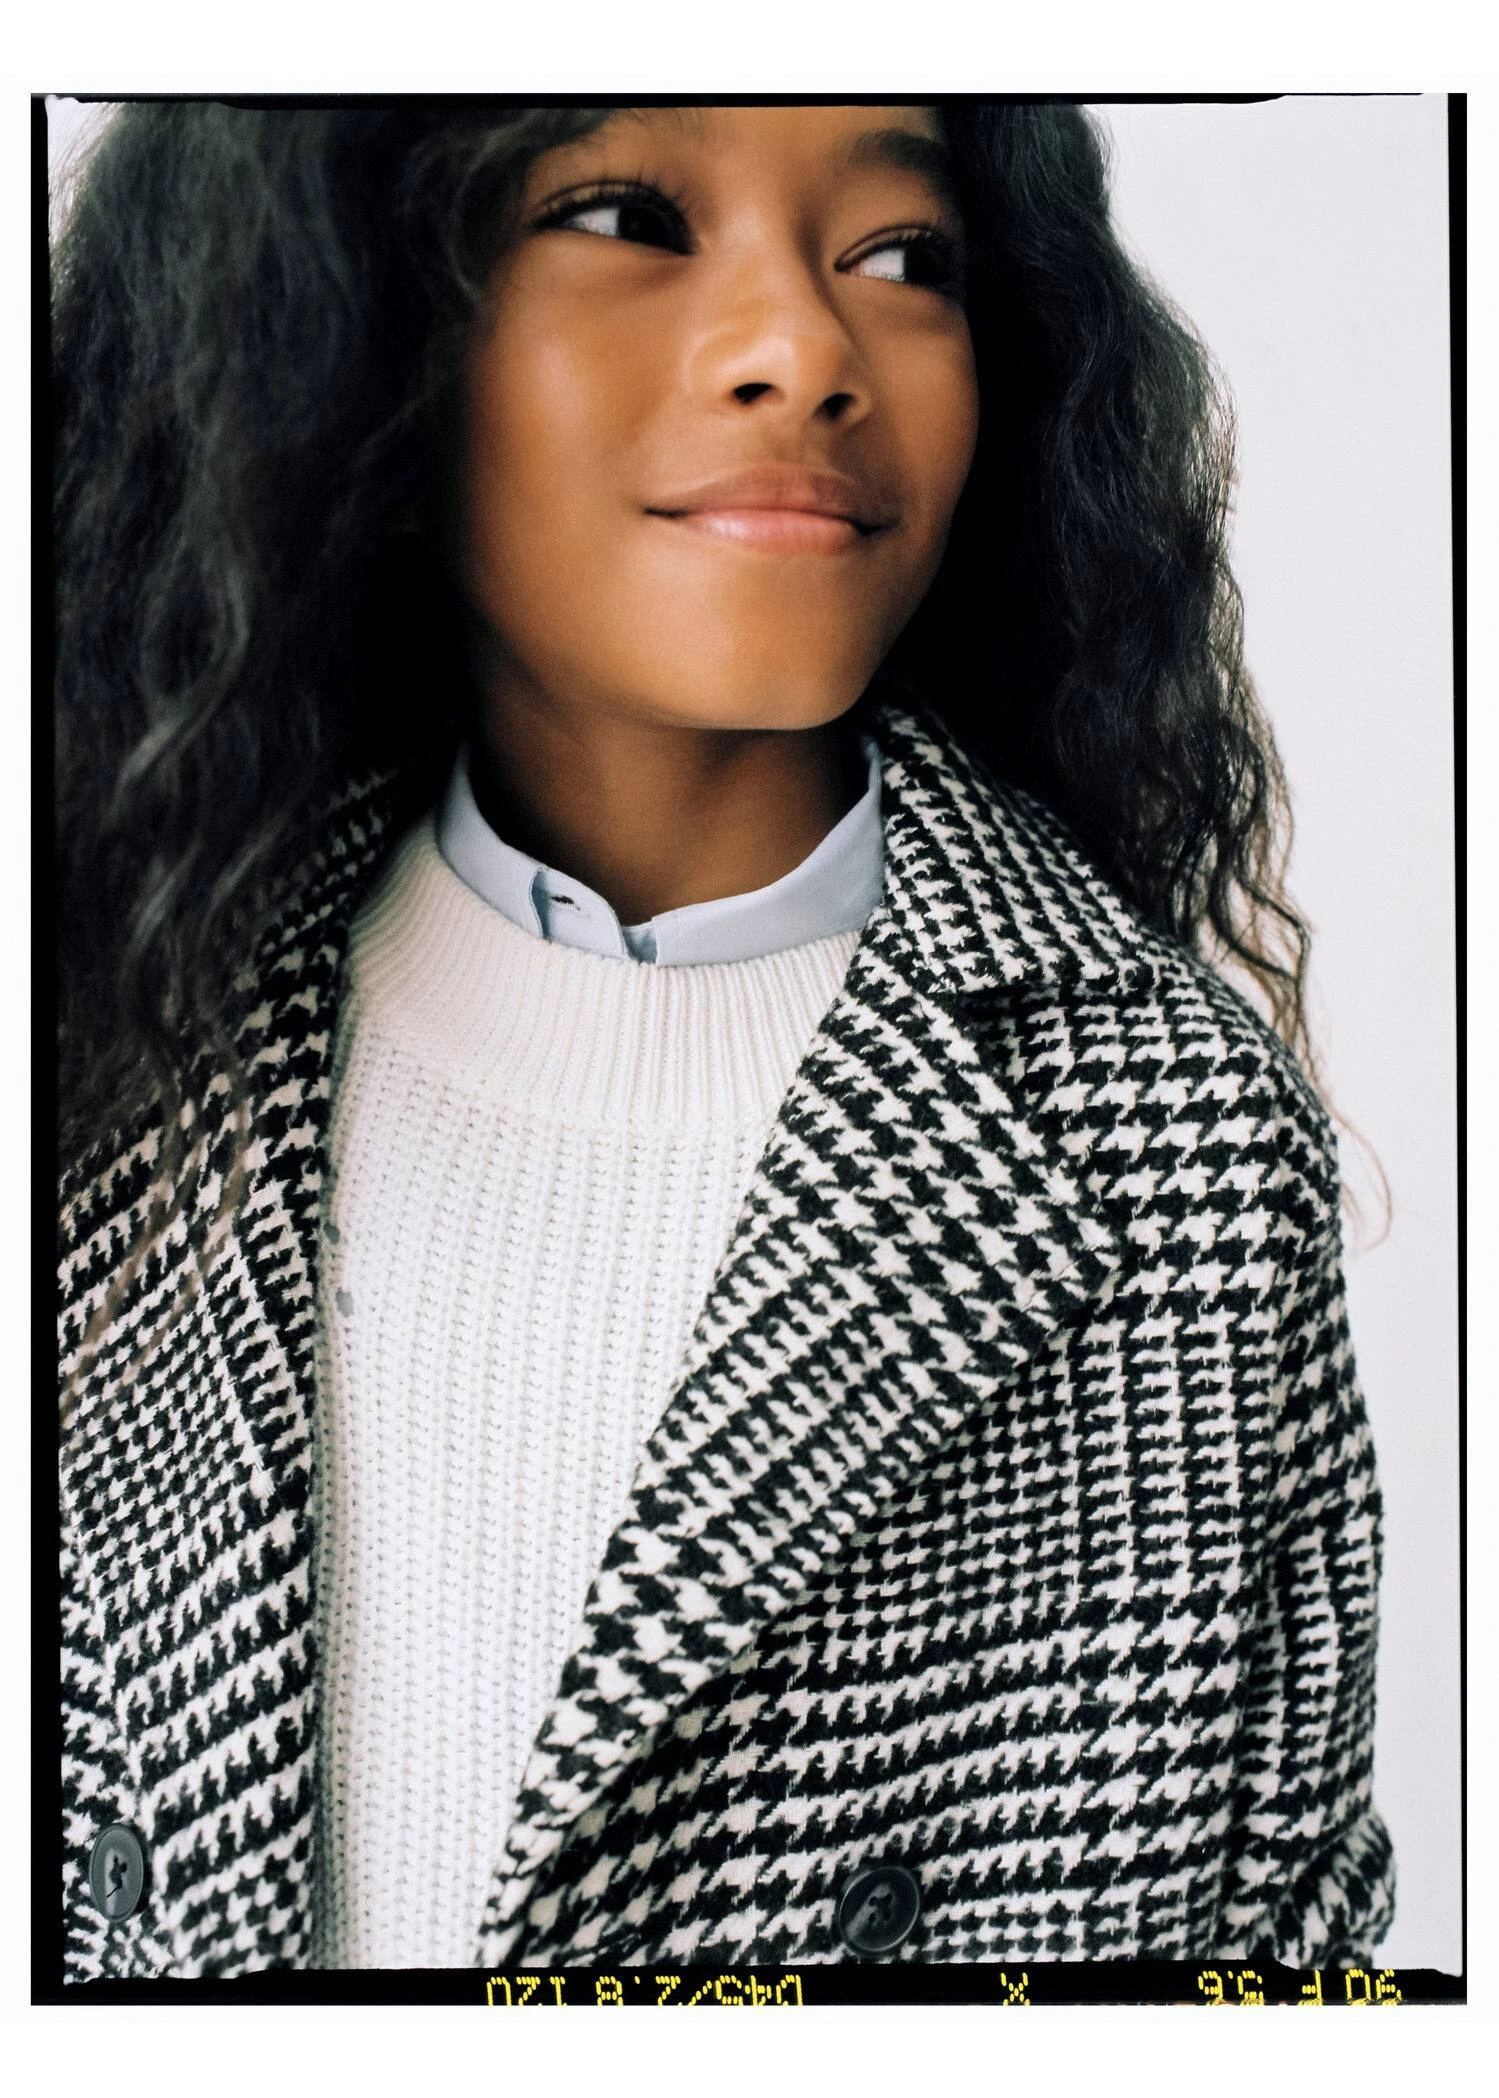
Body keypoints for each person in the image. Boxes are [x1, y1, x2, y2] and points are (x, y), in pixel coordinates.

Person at [53, 99, 1394, 1980]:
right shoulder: (107, 1049)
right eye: (625, 216)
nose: (803, 347)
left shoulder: (1182, 1148)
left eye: (902, 255)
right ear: (361, 316)